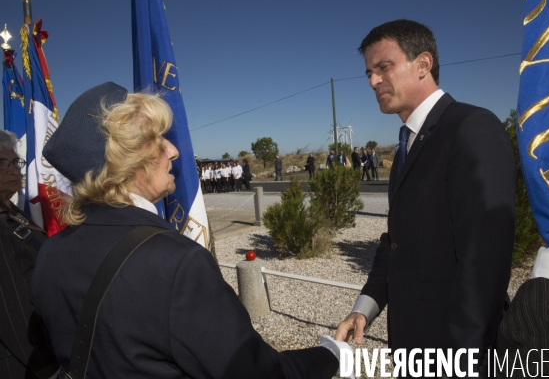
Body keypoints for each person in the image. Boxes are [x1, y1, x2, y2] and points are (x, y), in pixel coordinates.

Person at [31, 82, 350, 378]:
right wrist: (332, 353)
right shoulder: (176, 263)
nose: (173, 151)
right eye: (158, 140)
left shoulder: (50, 252)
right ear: (127, 161)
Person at [334, 19, 515, 375]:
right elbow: (395, 241)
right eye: (369, 72)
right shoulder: (405, 148)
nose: (372, 81)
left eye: (383, 67)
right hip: (411, 346)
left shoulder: (471, 128)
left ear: (423, 64)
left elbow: (485, 264)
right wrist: (364, 308)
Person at [0, 130, 59, 379]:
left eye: (15, 162)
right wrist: (45, 366)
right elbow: (9, 308)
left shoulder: (12, 210)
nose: (14, 170)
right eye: (2, 164)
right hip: (24, 361)